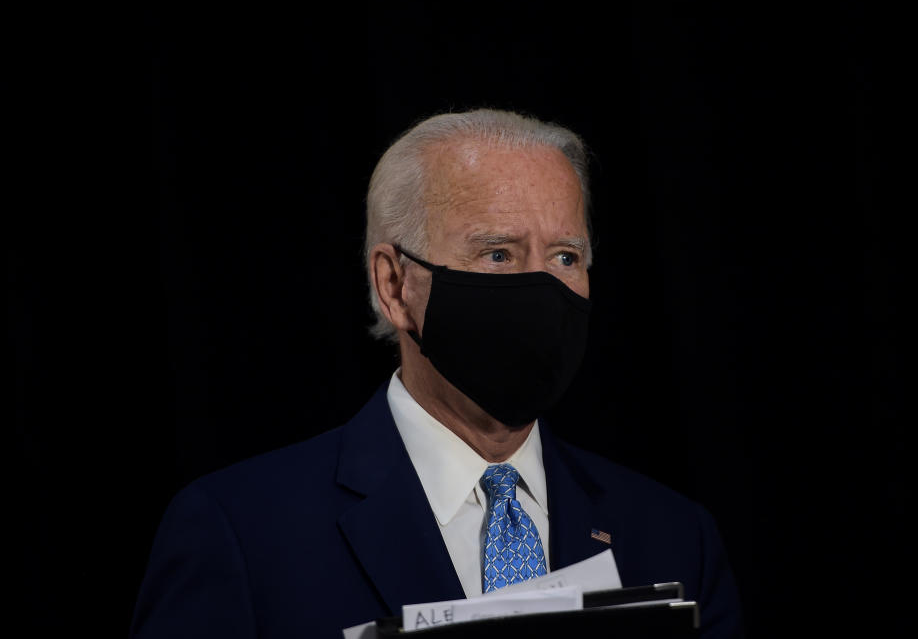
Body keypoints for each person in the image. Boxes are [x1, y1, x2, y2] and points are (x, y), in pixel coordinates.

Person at [131, 109, 743, 638]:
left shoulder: (673, 536)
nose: (544, 287)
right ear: (394, 285)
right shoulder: (241, 533)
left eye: (566, 256)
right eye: (498, 253)